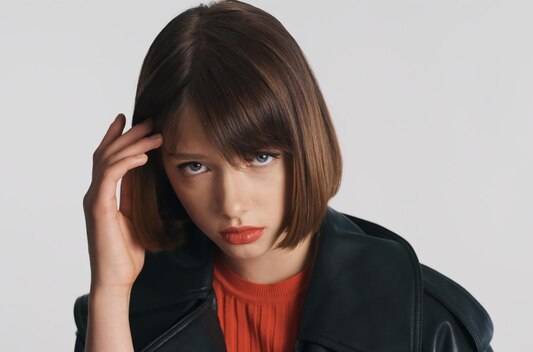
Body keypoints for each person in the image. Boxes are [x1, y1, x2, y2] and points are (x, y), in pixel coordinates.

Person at [73, 1, 494, 351]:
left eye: (259, 157)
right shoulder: (128, 310)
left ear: (305, 143)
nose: (232, 204)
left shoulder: (428, 322)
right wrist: (110, 290)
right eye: (195, 166)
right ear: (155, 167)